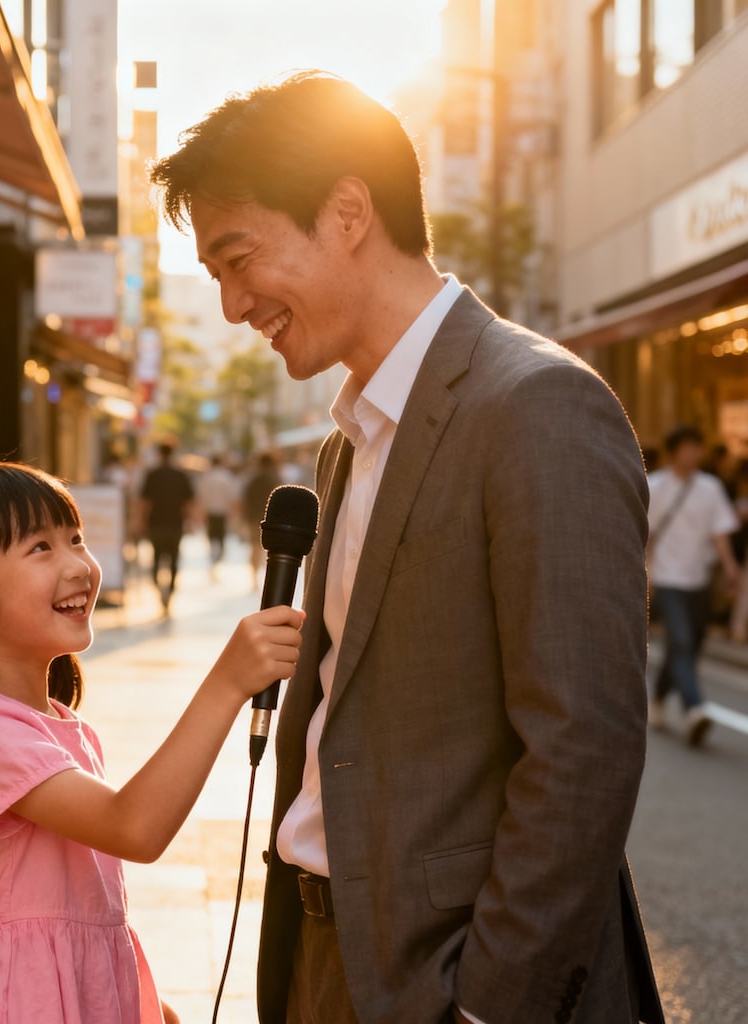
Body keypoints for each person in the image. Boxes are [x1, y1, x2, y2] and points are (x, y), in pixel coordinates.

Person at [150, 71, 662, 1024]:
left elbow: (584, 748)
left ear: (347, 210)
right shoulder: (351, 437)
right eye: (214, 277)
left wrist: (487, 1006)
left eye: (237, 258)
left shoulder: (537, 405)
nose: (229, 304)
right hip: (321, 948)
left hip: (448, 978)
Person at [0, 459, 303, 1024]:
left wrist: (146, 1002)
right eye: (40, 548)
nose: (79, 564)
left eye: (75, 539)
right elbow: (134, 827)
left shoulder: (55, 722)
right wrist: (227, 683)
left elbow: (78, 906)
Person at [647, 425, 740, 743]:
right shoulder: (654, 486)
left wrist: (730, 568)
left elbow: (720, 533)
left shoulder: (710, 488)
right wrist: (645, 573)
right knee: (682, 641)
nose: (695, 453)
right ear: (674, 451)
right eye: (688, 447)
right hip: (667, 579)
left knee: (688, 645)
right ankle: (695, 709)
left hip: (698, 580)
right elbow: (647, 536)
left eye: (697, 447)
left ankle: (658, 698)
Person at [137, 443, 196, 613]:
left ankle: (159, 591)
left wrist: (140, 521)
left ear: (159, 454)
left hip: (156, 523)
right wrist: (191, 521)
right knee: (174, 559)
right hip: (175, 523)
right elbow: (189, 501)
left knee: (156, 558)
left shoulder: (152, 475)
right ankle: (169, 593)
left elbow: (144, 501)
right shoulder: (180, 475)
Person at [242, 451, 282, 588]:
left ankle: (254, 577)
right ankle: (268, 579)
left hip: (254, 518)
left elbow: (246, 500)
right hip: (271, 520)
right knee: (271, 551)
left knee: (255, 547)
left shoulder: (253, 480)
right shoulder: (275, 479)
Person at [198, 453, 239, 576]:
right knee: (221, 537)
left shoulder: (206, 477)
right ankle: (217, 559)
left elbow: (202, 497)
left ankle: (213, 559)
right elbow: (232, 496)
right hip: (223, 512)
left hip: (210, 512)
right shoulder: (227, 477)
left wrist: (201, 513)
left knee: (211, 537)